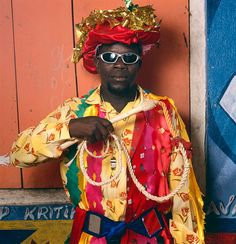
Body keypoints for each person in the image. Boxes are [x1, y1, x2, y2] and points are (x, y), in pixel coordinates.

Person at [10, 1, 205, 243]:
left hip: (152, 237)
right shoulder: (75, 111)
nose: (119, 64)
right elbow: (19, 154)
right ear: (97, 61)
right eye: (110, 56)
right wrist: (70, 129)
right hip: (93, 237)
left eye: (129, 57)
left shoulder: (162, 111)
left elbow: (182, 190)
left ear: (140, 62)